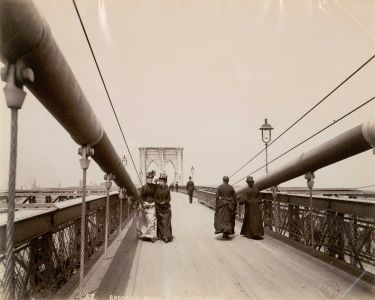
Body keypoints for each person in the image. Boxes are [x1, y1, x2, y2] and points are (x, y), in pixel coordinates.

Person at [137, 171, 157, 242]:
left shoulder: (155, 186)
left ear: (153, 178)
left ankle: (150, 235)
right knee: (142, 219)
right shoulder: (144, 187)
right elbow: (141, 197)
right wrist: (143, 203)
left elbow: (157, 196)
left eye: (151, 178)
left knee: (151, 220)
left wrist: (154, 203)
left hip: (152, 205)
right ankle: (144, 234)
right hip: (145, 206)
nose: (150, 179)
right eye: (149, 178)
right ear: (147, 178)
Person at [155, 172, 173, 243]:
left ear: (165, 182)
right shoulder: (157, 189)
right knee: (160, 222)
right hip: (159, 208)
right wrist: (159, 202)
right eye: (160, 181)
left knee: (166, 222)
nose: (161, 182)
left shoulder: (167, 189)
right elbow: (155, 197)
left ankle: (166, 236)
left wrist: (164, 202)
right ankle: (160, 235)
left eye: (162, 181)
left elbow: (169, 199)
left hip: (166, 208)